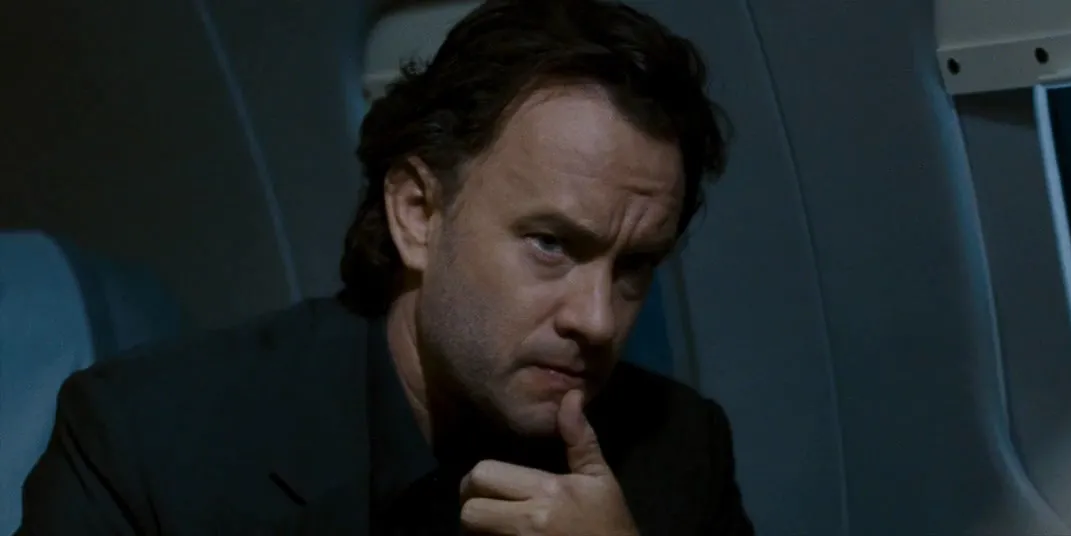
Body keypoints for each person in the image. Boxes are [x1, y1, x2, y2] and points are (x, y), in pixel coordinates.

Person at [18, 0, 753, 533]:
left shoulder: (678, 459)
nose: (596, 319)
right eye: (551, 244)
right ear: (417, 214)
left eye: (634, 266)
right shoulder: (149, 446)